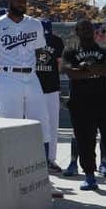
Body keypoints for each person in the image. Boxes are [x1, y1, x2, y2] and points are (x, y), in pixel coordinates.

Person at [0, 0, 51, 159]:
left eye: (24, 0)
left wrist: (45, 59)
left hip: (31, 76)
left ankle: (42, 165)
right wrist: (3, 72)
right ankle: (13, 165)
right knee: (11, 123)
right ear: (9, 0)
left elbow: (41, 51)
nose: (22, 3)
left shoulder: (35, 24)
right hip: (8, 77)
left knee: (41, 121)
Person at [61, 18, 106, 193]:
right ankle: (89, 176)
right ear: (76, 31)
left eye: (90, 28)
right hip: (80, 103)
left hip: (103, 101)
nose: (88, 31)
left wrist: (88, 68)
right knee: (84, 140)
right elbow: (70, 73)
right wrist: (94, 69)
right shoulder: (70, 51)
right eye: (83, 29)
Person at [34, 20, 65, 173]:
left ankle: (50, 159)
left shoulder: (56, 41)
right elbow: (58, 65)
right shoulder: (32, 40)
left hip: (49, 88)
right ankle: (41, 160)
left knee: (52, 126)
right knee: (40, 126)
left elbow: (59, 63)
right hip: (36, 88)